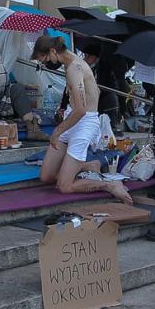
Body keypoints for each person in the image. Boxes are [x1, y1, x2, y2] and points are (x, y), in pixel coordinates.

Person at [31, 35, 132, 205]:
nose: (46, 64)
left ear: (53, 51)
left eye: (45, 59)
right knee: (46, 176)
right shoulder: (70, 63)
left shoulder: (74, 68)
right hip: (73, 117)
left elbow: (81, 110)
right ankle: (88, 166)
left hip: (84, 122)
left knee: (65, 186)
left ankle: (109, 184)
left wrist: (57, 131)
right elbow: (89, 95)